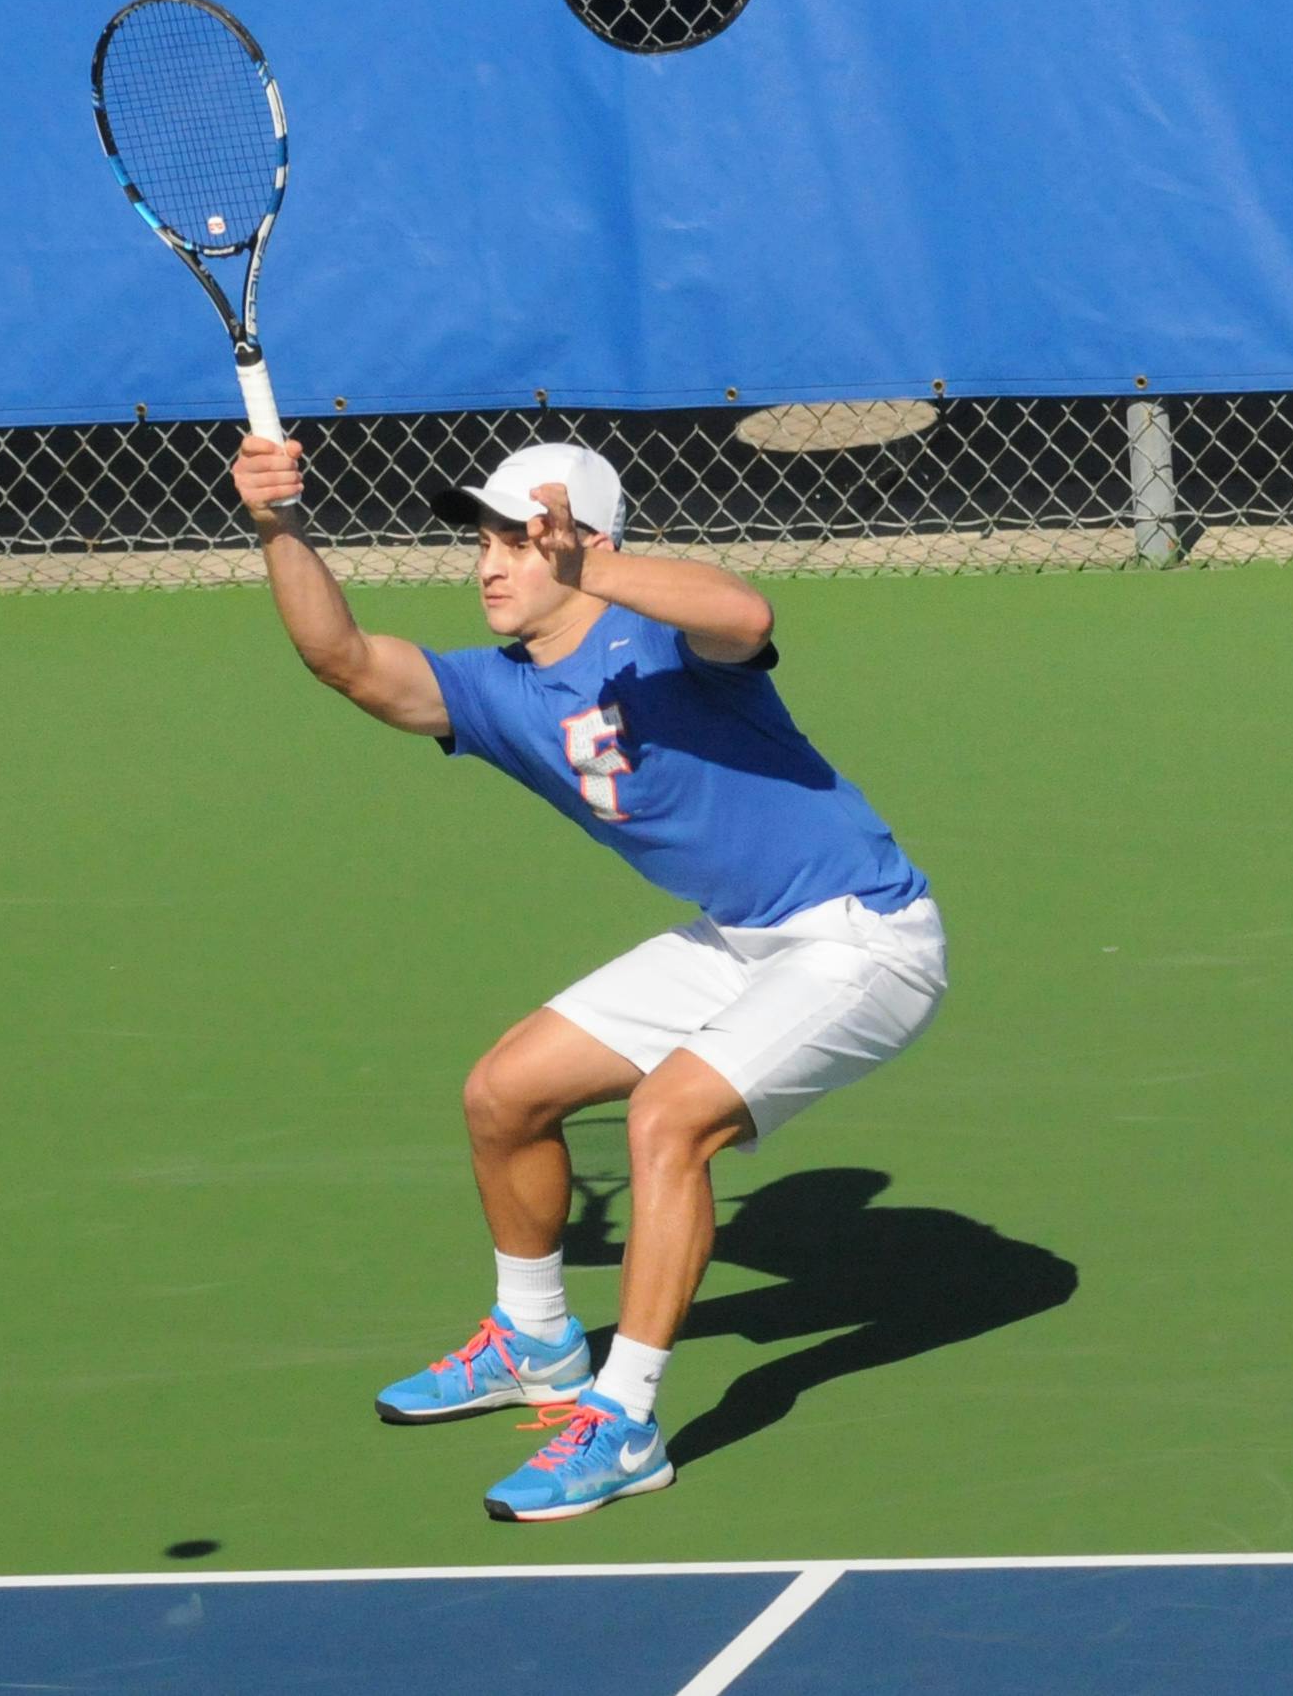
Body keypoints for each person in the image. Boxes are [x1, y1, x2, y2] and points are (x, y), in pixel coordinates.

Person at [231, 433, 948, 1521]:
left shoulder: (662, 636)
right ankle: (533, 1339)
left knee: (669, 1117)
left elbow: (746, 615)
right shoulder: (494, 689)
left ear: (585, 543)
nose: (488, 563)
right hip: (740, 935)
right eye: (485, 541)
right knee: (504, 1091)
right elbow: (344, 659)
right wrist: (277, 522)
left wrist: (588, 568)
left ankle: (624, 1423)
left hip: (864, 938)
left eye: (517, 540)